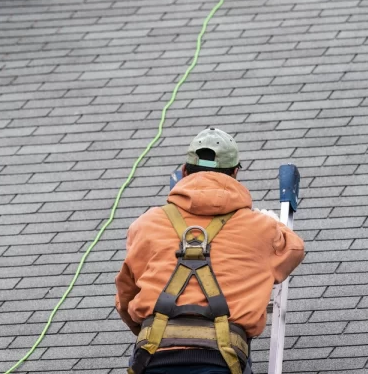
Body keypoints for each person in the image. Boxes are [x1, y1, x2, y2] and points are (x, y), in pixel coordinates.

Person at [115, 127, 305, 374]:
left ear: (184, 172)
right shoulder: (261, 228)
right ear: (235, 173)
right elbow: (295, 249)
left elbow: (125, 296)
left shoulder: (147, 224)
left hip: (152, 357)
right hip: (221, 360)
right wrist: (275, 228)